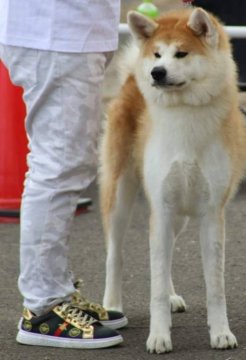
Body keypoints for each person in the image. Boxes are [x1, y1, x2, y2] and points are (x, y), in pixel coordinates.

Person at [0, 0, 126, 349]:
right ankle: (42, 307)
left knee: (69, 163)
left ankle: (56, 293)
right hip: (55, 30)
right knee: (58, 165)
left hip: (72, 28)